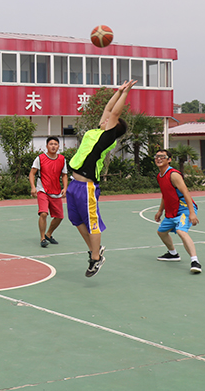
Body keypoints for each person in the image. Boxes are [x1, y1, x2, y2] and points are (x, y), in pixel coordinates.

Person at [67, 80, 136, 278]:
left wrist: (126, 93)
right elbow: (108, 109)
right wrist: (118, 91)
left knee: (91, 223)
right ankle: (94, 249)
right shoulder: (96, 132)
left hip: (86, 187)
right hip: (74, 184)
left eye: (110, 121)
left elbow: (114, 114)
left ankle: (95, 258)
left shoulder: (107, 138)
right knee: (76, 220)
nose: (105, 119)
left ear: (114, 128)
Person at [153, 149, 202, 274]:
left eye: (162, 157)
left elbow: (186, 193)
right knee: (161, 232)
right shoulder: (160, 176)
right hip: (172, 210)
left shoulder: (173, 174)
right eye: (157, 156)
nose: (159, 159)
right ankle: (173, 254)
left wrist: (192, 212)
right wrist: (160, 211)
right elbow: (165, 194)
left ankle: (195, 261)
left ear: (169, 160)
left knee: (181, 231)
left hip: (184, 210)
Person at [29, 137, 68, 248]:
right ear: (46, 146)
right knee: (43, 213)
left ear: (58, 146)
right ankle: (42, 238)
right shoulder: (40, 158)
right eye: (51, 144)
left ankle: (48, 234)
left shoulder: (62, 159)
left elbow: (64, 175)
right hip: (43, 190)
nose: (53, 146)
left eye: (55, 144)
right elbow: (32, 173)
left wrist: (65, 188)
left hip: (56, 191)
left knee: (59, 217)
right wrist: (33, 187)